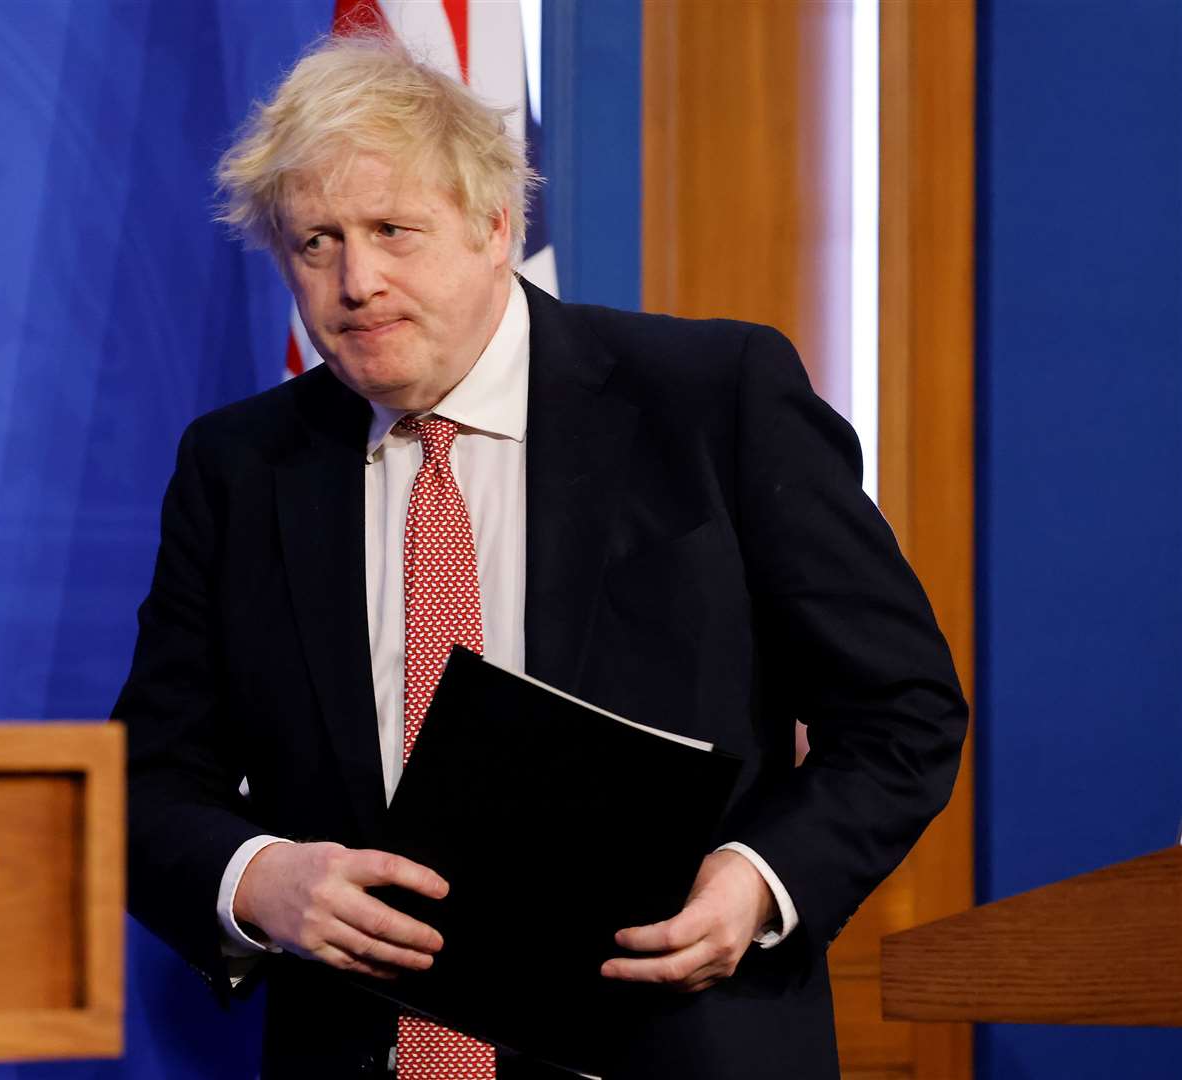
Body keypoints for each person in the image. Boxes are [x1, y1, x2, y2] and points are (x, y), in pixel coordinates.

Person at [117, 32, 967, 1080]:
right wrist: (257, 880)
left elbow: (900, 713)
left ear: (492, 227)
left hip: (674, 1044)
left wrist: (755, 881)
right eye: (315, 242)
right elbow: (145, 780)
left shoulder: (713, 401)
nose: (356, 281)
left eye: (394, 230)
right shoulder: (239, 468)